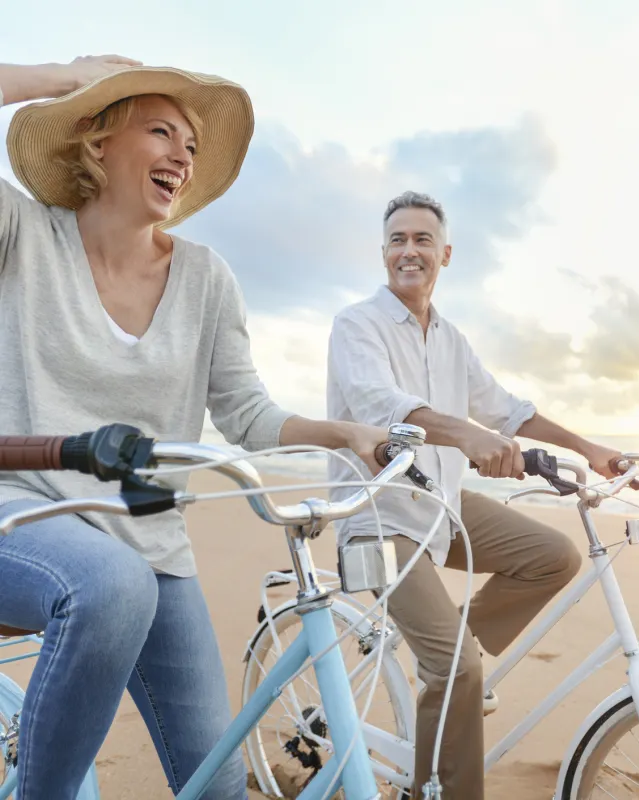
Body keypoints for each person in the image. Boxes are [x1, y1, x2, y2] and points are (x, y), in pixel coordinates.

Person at [0, 56, 390, 800]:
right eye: (161, 131)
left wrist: (345, 433)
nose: (183, 155)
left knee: (216, 787)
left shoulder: (207, 278)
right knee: (110, 586)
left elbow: (246, 412)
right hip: (21, 509)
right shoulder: (22, 234)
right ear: (97, 139)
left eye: (191, 145)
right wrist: (59, 78)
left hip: (151, 541)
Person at [326, 190, 633, 798]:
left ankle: (450, 653)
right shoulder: (356, 325)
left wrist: (588, 449)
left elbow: (507, 410)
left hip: (438, 502)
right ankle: (441, 770)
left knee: (554, 556)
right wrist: (467, 436)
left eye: (421, 240)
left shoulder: (450, 338)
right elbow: (383, 410)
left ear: (445, 253)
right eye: (397, 240)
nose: (408, 251)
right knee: (458, 669)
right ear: (383, 253)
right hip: (377, 514)